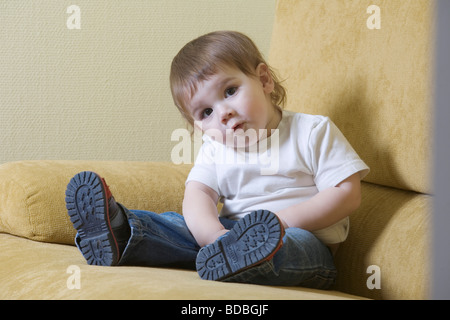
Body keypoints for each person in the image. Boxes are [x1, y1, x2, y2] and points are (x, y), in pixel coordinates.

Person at [65, 31, 369, 289]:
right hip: (232, 235)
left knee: (295, 244)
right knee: (179, 224)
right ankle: (123, 229)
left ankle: (244, 257)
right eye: (206, 112)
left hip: (305, 243)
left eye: (230, 91)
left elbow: (346, 192)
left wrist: (285, 221)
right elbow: (198, 194)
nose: (223, 113)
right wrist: (212, 235)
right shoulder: (216, 149)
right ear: (199, 126)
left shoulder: (311, 131)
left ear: (264, 80)